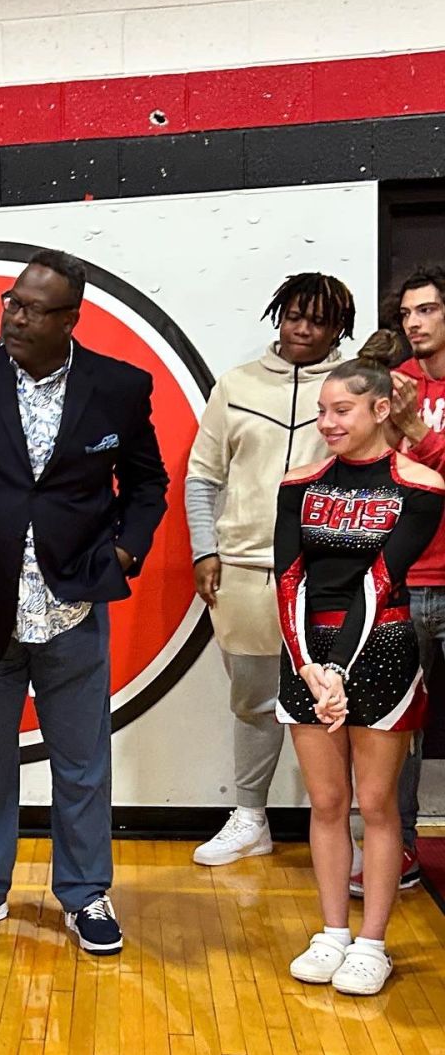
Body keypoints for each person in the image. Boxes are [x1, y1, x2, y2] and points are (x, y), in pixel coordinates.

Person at [0, 249, 169, 954]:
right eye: (10, 302)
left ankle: (85, 895)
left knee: (82, 762)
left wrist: (122, 552)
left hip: (75, 604)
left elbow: (148, 485)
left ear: (70, 319)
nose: (13, 316)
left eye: (31, 307)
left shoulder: (117, 386)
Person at [277, 341, 443, 995]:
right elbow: (288, 576)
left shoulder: (421, 486)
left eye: (342, 409)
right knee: (325, 801)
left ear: (380, 408)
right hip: (308, 658)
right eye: (321, 411)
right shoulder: (299, 484)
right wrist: (310, 666)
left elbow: (381, 579)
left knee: (375, 805)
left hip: (383, 650)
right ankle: (332, 932)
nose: (328, 422)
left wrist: (339, 670)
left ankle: (372, 941)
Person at [186, 273, 355, 866]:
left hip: (332, 576)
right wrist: (206, 550)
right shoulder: (235, 386)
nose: (302, 327)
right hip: (248, 572)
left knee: (336, 701)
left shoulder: (351, 388)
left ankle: (343, 828)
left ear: (340, 329)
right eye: (293, 314)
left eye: (318, 319)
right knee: (254, 699)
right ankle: (251, 817)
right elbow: (203, 477)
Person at [373, 264, 445, 897]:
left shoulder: (416, 404)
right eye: (407, 314)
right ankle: (399, 852)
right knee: (397, 727)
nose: (415, 323)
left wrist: (419, 431)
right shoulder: (396, 386)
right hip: (404, 578)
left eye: (427, 310)